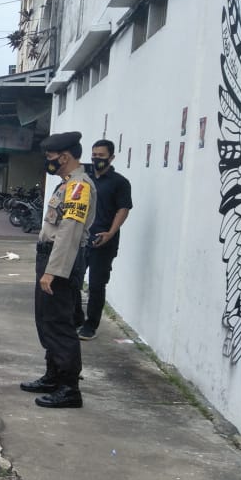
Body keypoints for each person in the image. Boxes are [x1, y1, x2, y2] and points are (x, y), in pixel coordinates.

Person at [21, 131, 96, 408]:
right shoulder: (65, 185)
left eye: (50, 158)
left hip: (60, 261)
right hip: (50, 258)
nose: (48, 162)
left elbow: (69, 232)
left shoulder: (79, 187)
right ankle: (52, 376)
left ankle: (69, 388)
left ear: (64, 157)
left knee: (59, 323)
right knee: (46, 320)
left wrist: (54, 271)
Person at [75, 139, 132, 340]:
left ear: (111, 157)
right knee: (73, 280)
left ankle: (90, 326)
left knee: (96, 285)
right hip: (81, 238)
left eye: (101, 155)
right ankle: (77, 319)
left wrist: (110, 233)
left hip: (103, 241)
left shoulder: (120, 182)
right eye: (94, 155)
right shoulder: (84, 180)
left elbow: (123, 209)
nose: (96, 159)